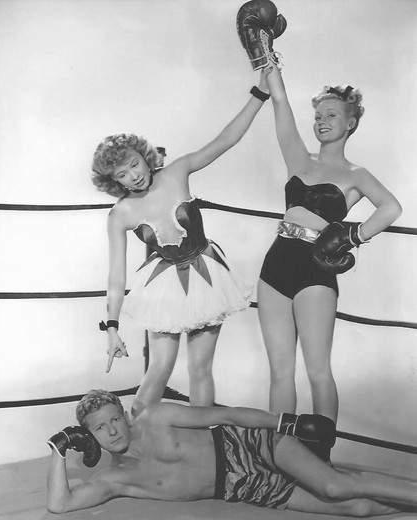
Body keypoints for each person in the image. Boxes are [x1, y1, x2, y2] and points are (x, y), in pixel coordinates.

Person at [237, 2, 402, 424]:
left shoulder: (356, 174)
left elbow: (391, 208)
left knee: (317, 370)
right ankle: (281, 451)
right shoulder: (299, 158)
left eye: (331, 115)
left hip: (315, 268)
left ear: (351, 123)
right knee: (279, 371)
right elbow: (279, 101)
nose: (321, 121)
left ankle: (321, 453)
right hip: (276, 265)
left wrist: (352, 236)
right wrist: (263, 50)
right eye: (318, 116)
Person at [91, 69, 274, 414]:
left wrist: (260, 94)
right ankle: (135, 440)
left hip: (207, 276)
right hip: (163, 286)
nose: (134, 175)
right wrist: (112, 328)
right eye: (122, 174)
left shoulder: (177, 171)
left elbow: (225, 140)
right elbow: (116, 277)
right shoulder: (120, 214)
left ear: (144, 155)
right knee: (159, 369)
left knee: (200, 369)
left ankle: (203, 440)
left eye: (135, 164)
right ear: (113, 181)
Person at [47, 388, 417, 516]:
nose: (112, 431)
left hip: (248, 445)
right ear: (88, 436)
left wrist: (286, 423)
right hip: (241, 486)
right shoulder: (113, 480)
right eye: (100, 427)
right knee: (358, 509)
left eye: (115, 419)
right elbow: (59, 505)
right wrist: (58, 449)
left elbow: (226, 415)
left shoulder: (157, 416)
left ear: (125, 416)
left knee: (335, 487)